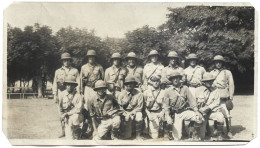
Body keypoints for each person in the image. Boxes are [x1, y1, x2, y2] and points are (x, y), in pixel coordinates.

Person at [163, 70, 204, 140]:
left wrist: (196, 111)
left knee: (199, 118)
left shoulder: (185, 88)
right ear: (171, 80)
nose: (175, 80)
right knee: (177, 138)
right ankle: (170, 132)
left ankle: (194, 135)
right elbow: (166, 106)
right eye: (173, 78)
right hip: (175, 114)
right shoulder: (168, 91)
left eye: (177, 78)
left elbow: (192, 100)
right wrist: (167, 116)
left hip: (184, 111)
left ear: (180, 79)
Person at [53, 52, 80, 138]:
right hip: (61, 93)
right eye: (64, 60)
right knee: (61, 112)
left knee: (72, 111)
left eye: (68, 60)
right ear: (62, 61)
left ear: (70, 61)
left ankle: (74, 129)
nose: (66, 62)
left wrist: (78, 93)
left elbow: (78, 83)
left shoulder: (75, 70)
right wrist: (55, 95)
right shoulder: (58, 71)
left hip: (72, 93)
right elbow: (55, 84)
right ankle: (63, 131)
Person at [197, 72, 228, 140]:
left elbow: (216, 102)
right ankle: (200, 132)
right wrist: (199, 110)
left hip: (211, 111)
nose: (209, 83)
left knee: (220, 116)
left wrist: (208, 107)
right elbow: (195, 103)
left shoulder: (215, 90)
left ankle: (220, 134)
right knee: (201, 137)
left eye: (211, 81)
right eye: (207, 81)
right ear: (204, 82)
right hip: (202, 113)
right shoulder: (199, 90)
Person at [209, 55, 234, 135]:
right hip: (215, 95)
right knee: (216, 113)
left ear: (222, 63)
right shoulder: (211, 72)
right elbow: (208, 84)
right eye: (216, 62)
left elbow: (231, 84)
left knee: (227, 114)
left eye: (220, 62)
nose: (218, 64)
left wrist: (231, 96)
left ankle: (229, 130)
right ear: (214, 63)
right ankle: (218, 130)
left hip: (224, 95)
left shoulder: (227, 72)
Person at [117, 76, 144, 140]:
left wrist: (133, 112)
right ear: (125, 85)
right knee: (127, 136)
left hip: (135, 111)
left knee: (139, 116)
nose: (129, 85)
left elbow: (140, 106)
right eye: (127, 83)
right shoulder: (121, 94)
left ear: (134, 84)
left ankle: (138, 135)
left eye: (131, 83)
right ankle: (123, 133)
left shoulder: (139, 93)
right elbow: (119, 106)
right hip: (125, 111)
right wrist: (125, 113)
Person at [59, 75, 84, 140]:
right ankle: (69, 130)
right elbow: (60, 108)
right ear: (65, 85)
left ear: (74, 86)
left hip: (77, 117)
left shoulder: (78, 96)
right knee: (69, 138)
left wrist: (67, 114)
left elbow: (78, 110)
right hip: (67, 118)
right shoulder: (62, 94)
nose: (69, 87)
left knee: (75, 117)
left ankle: (77, 130)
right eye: (68, 85)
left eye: (71, 85)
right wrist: (62, 117)